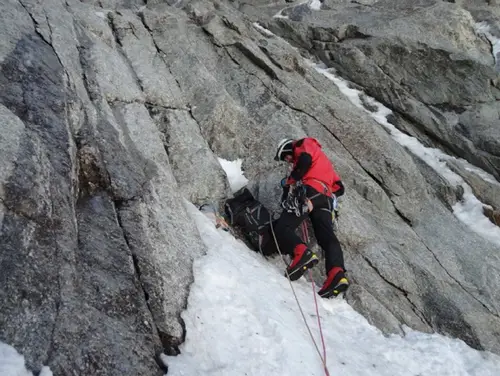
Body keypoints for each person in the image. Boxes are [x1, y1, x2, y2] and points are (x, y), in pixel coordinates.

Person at [273, 137, 349, 298]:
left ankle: (302, 253)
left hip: (310, 191)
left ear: (287, 147)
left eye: (285, 156)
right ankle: (337, 273)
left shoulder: (303, 144)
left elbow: (305, 160)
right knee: (327, 237)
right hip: (326, 199)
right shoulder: (325, 162)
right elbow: (339, 187)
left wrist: (290, 181)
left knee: (282, 226)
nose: (287, 160)